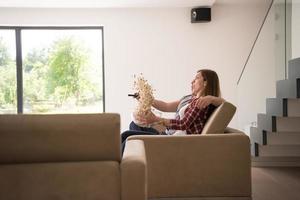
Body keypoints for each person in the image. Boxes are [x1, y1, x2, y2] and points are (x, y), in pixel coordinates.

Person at [121, 69, 225, 153]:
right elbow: (166, 106)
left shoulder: (201, 103)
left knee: (128, 138)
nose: (192, 81)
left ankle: (123, 170)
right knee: (131, 129)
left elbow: (183, 124)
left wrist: (211, 98)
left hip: (173, 140)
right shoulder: (189, 99)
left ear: (206, 82)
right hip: (169, 135)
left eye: (196, 78)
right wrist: (145, 98)